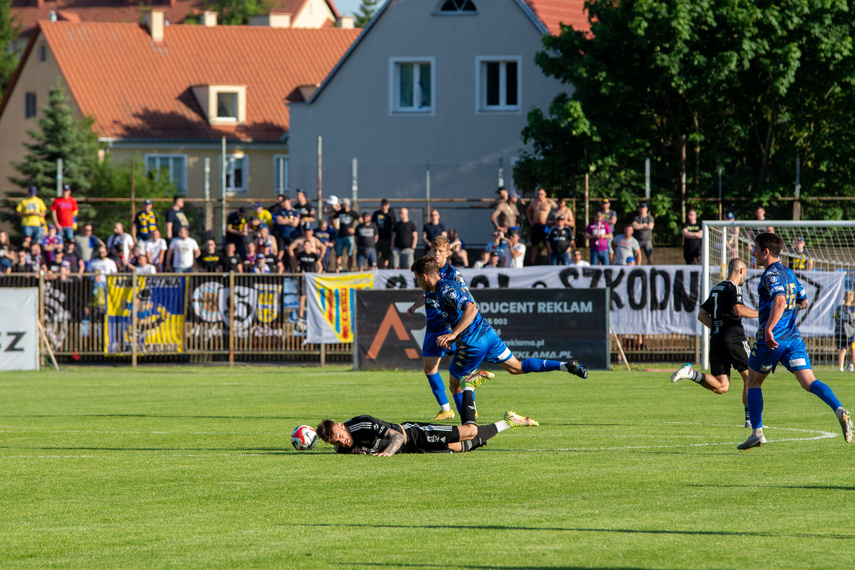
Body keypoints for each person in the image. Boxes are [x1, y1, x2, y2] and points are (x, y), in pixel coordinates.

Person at [411, 255, 588, 409]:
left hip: (473, 342)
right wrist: (454, 336)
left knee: (455, 383)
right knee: (517, 368)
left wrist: (453, 334)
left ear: (425, 276)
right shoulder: (446, 286)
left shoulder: (444, 290)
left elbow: (471, 308)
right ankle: (565, 366)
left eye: (418, 278)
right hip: (488, 335)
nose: (418, 283)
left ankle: (469, 425)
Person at [737, 232, 852, 449]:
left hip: (771, 339)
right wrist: (788, 311)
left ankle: (757, 432)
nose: (752, 253)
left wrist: (770, 328)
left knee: (753, 381)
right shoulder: (788, 273)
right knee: (809, 382)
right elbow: (804, 301)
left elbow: (780, 300)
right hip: (793, 338)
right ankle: (839, 409)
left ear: (766, 252)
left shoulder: (770, 275)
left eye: (755, 249)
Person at [670, 258, 758, 427]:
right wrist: (762, 313)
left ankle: (691, 373)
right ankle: (750, 420)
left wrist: (719, 328)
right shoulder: (734, 287)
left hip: (717, 339)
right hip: (734, 338)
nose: (744, 278)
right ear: (740, 271)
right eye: (744, 274)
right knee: (751, 378)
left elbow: (702, 315)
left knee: (722, 387)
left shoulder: (716, 289)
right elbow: (738, 310)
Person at [407, 237, 477, 421]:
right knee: (429, 368)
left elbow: (466, 298)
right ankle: (446, 409)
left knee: (459, 372)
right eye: (434, 250)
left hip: (448, 327)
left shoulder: (453, 273)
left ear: (447, 253)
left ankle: (470, 407)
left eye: (440, 250)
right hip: (432, 327)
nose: (436, 253)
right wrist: (415, 306)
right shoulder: (429, 269)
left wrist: (460, 328)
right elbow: (427, 293)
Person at [316, 404, 538, 456]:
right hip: (414, 450)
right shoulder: (342, 449)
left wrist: (387, 453)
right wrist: (354, 450)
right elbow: (345, 451)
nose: (342, 442)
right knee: (462, 448)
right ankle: (509, 422)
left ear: (341, 426)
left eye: (340, 437)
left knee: (470, 431)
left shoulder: (362, 423)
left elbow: (397, 437)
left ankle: (469, 384)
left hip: (413, 433)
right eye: (336, 443)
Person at [526, 187, 557, 265]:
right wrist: (530, 221)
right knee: (534, 244)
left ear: (545, 194)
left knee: (548, 244)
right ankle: (532, 262)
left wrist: (553, 222)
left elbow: (557, 211)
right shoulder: (534, 202)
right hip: (536, 225)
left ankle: (550, 263)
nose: (540, 196)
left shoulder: (549, 202)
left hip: (545, 226)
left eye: (541, 194)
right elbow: (528, 211)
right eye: (538, 194)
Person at [296, 240, 322, 325]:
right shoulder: (300, 255)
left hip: (311, 279)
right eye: (305, 245)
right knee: (302, 296)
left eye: (307, 245)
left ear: (311, 246)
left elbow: (320, 265)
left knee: (313, 297)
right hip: (303, 278)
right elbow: (296, 264)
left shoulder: (314, 255)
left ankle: (314, 316)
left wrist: (317, 275)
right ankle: (300, 316)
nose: (306, 246)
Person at [333, 197, 357, 272]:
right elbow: (333, 219)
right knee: (338, 254)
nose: (341, 206)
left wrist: (354, 230)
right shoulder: (339, 212)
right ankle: (337, 269)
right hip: (340, 236)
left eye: (342, 204)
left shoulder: (353, 213)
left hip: (349, 237)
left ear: (346, 205)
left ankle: (349, 270)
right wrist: (335, 228)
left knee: (350, 254)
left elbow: (361, 221)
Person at [834, 290, 855, 372]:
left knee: (843, 350)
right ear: (852, 299)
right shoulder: (853, 309)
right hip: (851, 333)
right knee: (853, 350)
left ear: (844, 298)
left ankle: (840, 368)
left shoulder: (839, 308)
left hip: (841, 332)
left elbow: (836, 318)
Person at [372, 199, 396, 269]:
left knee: (385, 257)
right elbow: (372, 224)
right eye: (382, 205)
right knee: (374, 256)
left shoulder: (391, 214)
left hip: (387, 238)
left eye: (385, 205)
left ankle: (384, 270)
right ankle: (373, 270)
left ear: (388, 205)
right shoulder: (376, 214)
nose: (384, 206)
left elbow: (394, 223)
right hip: (377, 238)